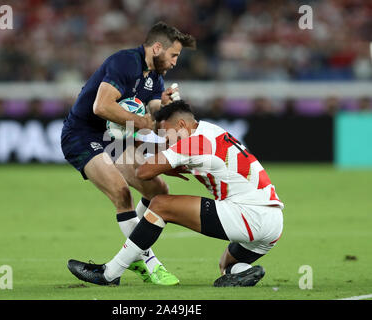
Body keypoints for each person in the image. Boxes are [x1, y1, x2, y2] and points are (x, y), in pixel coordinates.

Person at [67, 100, 284, 287]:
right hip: (273, 223)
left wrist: (141, 144)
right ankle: (244, 271)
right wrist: (170, 163)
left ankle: (109, 273)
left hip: (249, 215)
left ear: (181, 125)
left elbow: (143, 172)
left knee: (161, 205)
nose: (166, 142)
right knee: (227, 265)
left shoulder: (193, 142)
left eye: (166, 136)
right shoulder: (211, 130)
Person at [61, 22, 196, 285]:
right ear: (157, 48)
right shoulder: (125, 62)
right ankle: (147, 262)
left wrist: (166, 106)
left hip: (117, 138)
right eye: (173, 55)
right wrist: (143, 123)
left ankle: (133, 251)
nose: (175, 63)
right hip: (83, 135)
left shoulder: (155, 78)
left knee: (158, 191)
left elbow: (154, 116)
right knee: (121, 192)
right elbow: (101, 107)